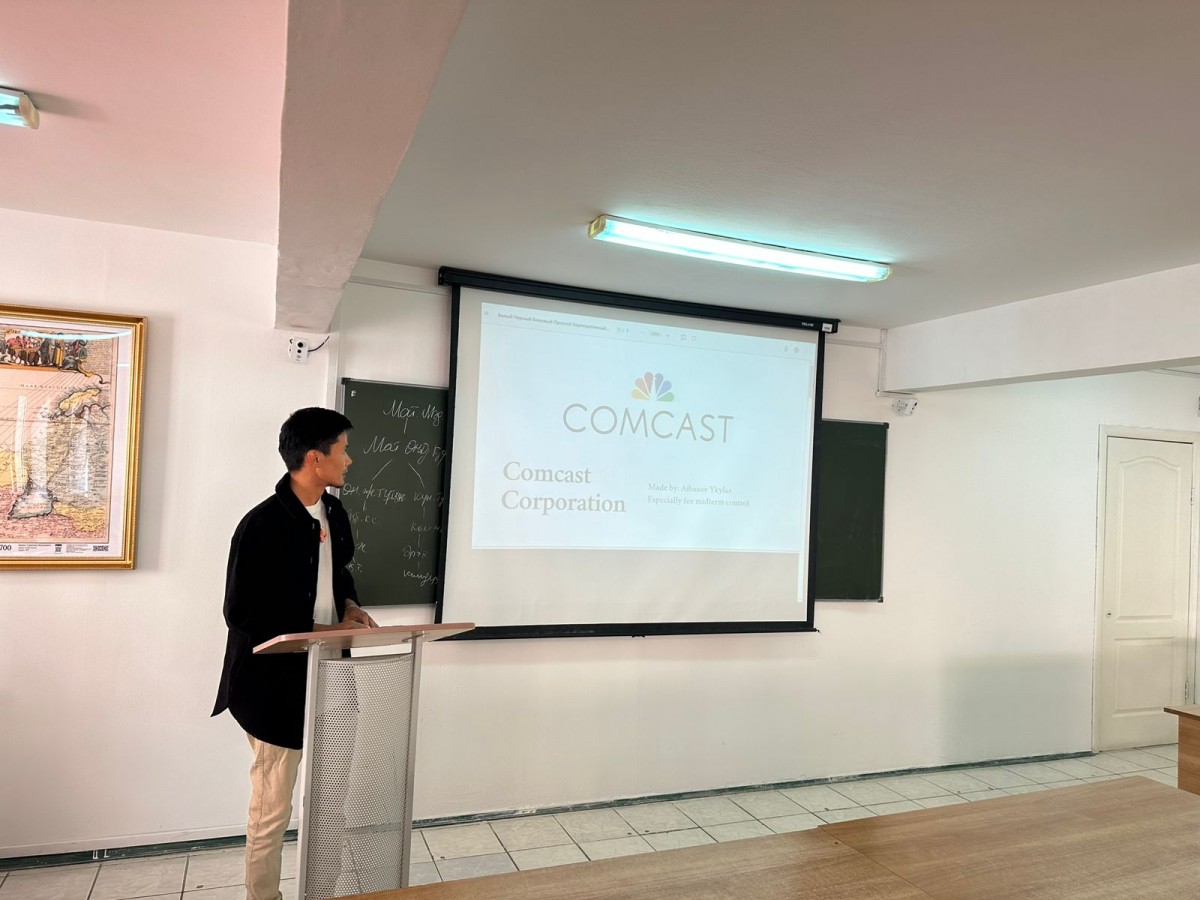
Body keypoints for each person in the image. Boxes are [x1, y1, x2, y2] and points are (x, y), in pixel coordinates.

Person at [212, 407, 376, 900]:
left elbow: (339, 574)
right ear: (314, 458)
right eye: (343, 450)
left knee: (330, 804)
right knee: (272, 811)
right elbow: (242, 613)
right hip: (273, 690)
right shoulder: (261, 525)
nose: (349, 459)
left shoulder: (335, 514)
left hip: (332, 677)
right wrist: (325, 629)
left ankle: (321, 890)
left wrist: (351, 606)